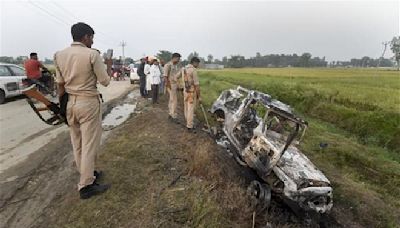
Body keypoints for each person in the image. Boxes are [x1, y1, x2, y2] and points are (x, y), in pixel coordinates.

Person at [54, 22, 112, 199]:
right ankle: (86, 185)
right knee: (89, 144)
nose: (93, 42)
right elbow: (105, 81)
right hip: (88, 103)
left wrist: (61, 107)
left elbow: (60, 85)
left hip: (70, 103)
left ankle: (87, 174)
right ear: (85, 37)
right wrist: (108, 64)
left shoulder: (59, 55)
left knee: (77, 143)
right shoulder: (92, 54)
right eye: (92, 38)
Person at [183, 57, 201, 133]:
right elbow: (197, 85)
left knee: (186, 107)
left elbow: (179, 78)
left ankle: (187, 121)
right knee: (191, 109)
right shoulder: (193, 70)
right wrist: (199, 96)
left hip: (185, 91)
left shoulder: (184, 68)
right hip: (191, 92)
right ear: (194, 62)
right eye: (197, 63)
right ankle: (189, 126)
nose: (198, 65)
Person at [163, 53, 181, 123]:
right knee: (174, 101)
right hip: (171, 85)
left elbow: (175, 76)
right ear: (174, 58)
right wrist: (168, 85)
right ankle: (173, 116)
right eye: (178, 59)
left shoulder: (175, 66)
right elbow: (165, 77)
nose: (179, 60)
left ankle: (170, 114)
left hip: (174, 84)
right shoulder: (168, 65)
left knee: (171, 100)